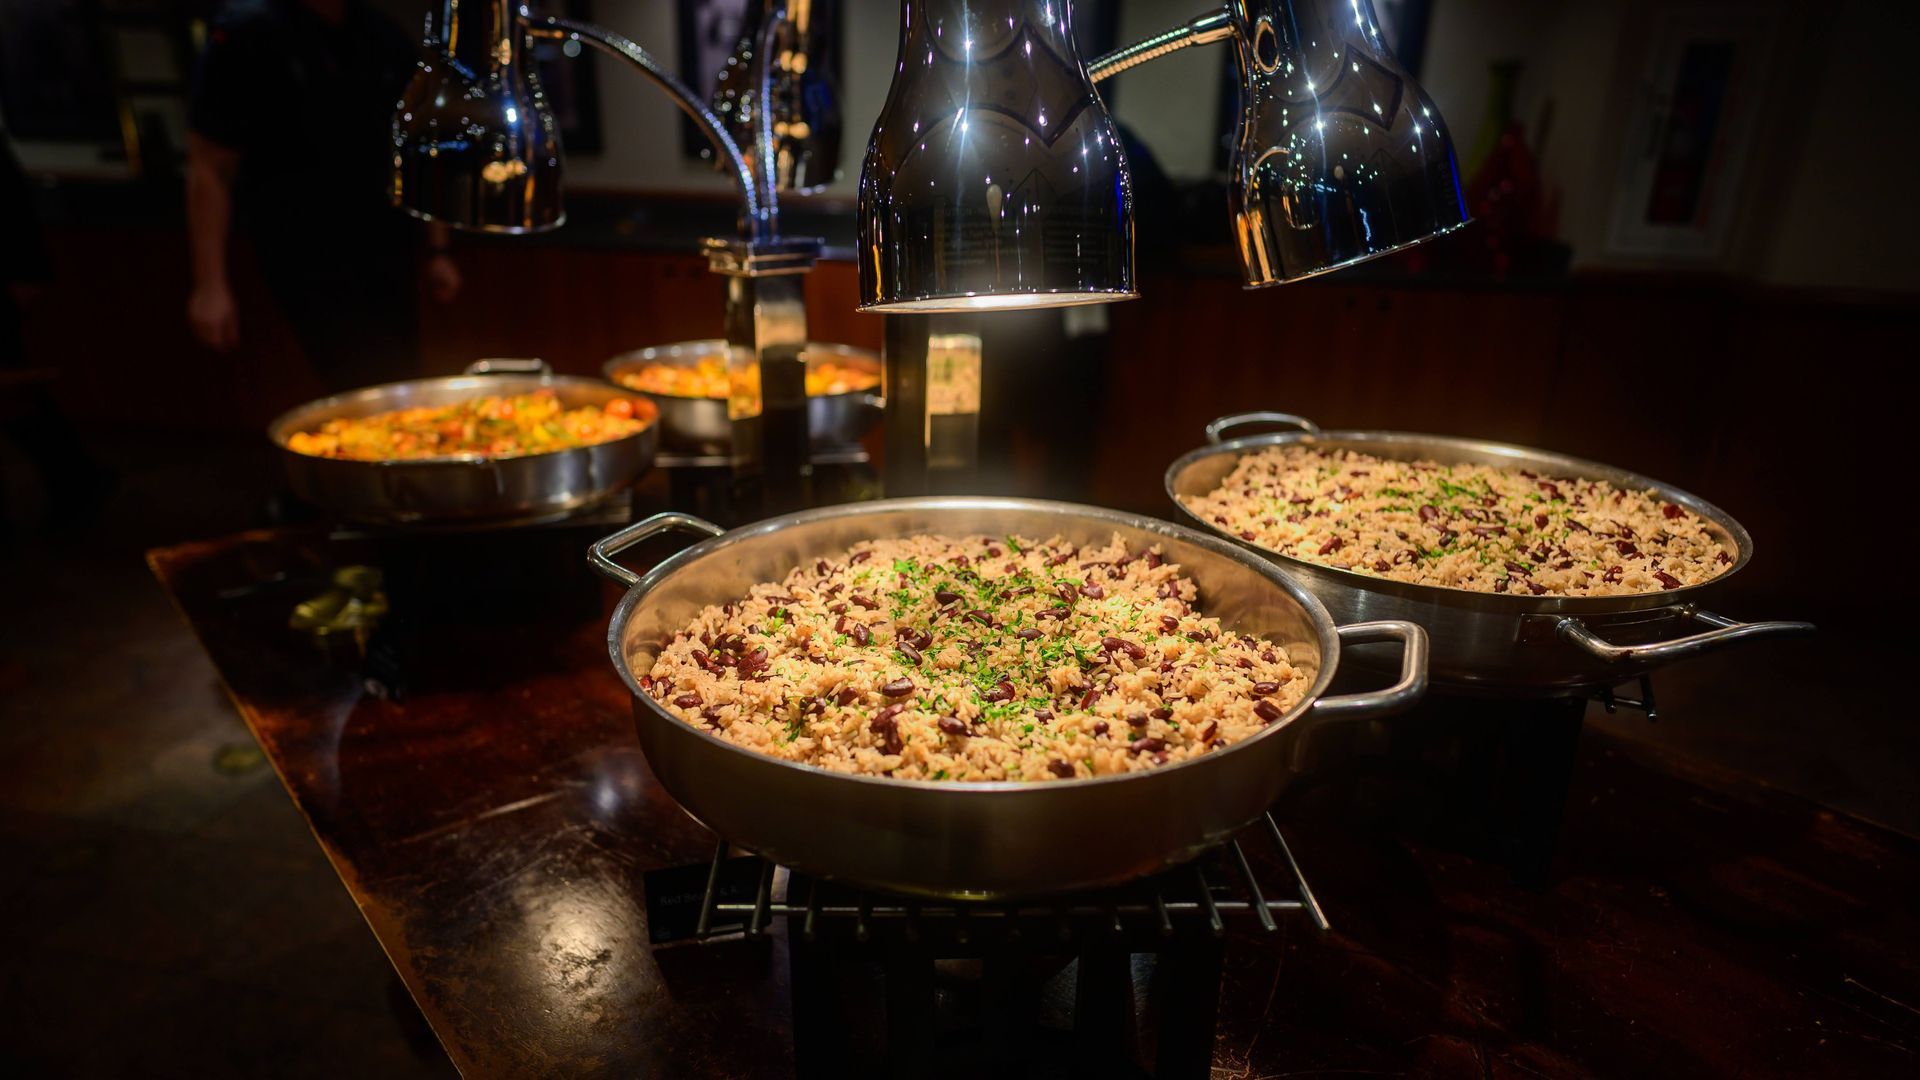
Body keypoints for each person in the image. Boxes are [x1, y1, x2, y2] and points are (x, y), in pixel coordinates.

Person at [186, 0, 460, 392]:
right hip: (302, 248)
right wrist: (209, 285)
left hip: (387, 241)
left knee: (402, 372)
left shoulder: (382, 35)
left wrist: (439, 250)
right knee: (355, 378)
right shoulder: (247, 33)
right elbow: (209, 165)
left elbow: (419, 153)